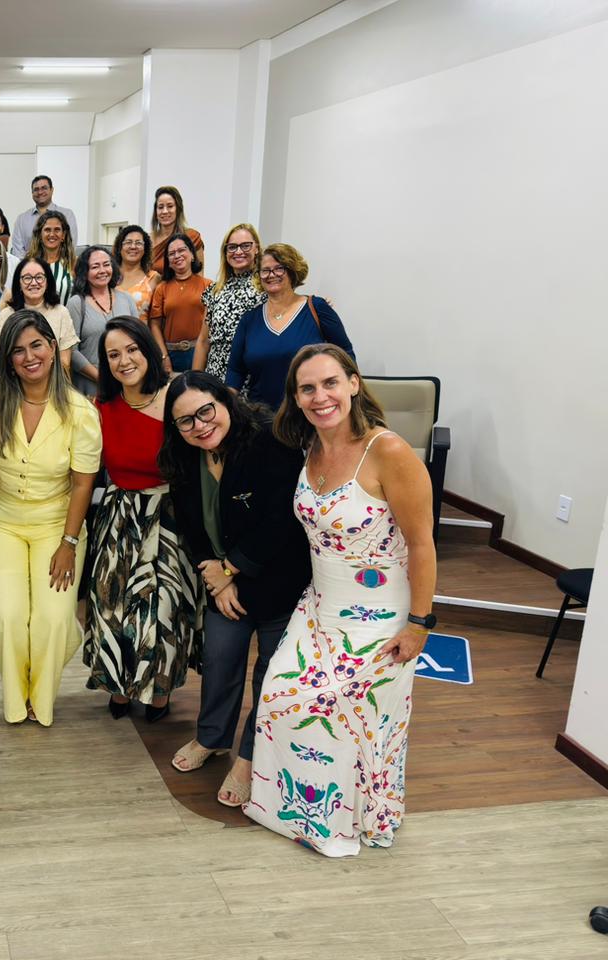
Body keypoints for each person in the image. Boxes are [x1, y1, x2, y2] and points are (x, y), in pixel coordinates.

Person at [246, 344, 436, 856]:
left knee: (348, 713)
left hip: (380, 615)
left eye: (330, 383)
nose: (320, 396)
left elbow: (422, 544)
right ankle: (298, 811)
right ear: (295, 399)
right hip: (319, 608)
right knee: (278, 697)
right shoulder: (307, 445)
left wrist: (420, 624)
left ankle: (357, 816)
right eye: (307, 388)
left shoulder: (388, 451)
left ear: (353, 383)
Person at [158, 370, 310, 807]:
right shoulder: (183, 456)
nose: (199, 425)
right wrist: (214, 574)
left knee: (270, 674)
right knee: (220, 658)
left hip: (279, 579)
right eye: (186, 421)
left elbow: (281, 519)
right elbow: (190, 525)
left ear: (225, 401)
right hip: (222, 582)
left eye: (206, 411)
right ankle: (211, 738)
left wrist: (230, 568)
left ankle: (249, 756)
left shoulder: (269, 439)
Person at [0, 310, 101, 726]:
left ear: (53, 348)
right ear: (7, 360)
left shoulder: (81, 412)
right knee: (8, 619)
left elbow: (82, 485)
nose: (29, 357)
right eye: (18, 350)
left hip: (57, 525)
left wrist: (69, 544)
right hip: (0, 521)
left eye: (36, 345)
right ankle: (17, 698)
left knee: (55, 618)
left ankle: (41, 700)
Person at [83, 320, 201, 719]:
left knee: (162, 608)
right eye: (113, 355)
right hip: (118, 515)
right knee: (112, 604)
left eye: (132, 349)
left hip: (168, 515)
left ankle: (158, 690)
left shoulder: (177, 397)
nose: (124, 361)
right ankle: (118, 684)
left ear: (148, 349)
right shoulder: (101, 407)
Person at [226, 243, 355, 407]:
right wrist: (227, 405)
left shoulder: (316, 308)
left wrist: (349, 399)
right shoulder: (249, 319)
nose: (271, 275)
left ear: (292, 271)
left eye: (279, 268)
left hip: (311, 410)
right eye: (265, 270)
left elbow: (345, 354)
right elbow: (235, 370)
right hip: (261, 415)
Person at [195, 224, 264, 380]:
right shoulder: (215, 290)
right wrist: (195, 381)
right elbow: (203, 341)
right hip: (215, 376)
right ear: (225, 252)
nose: (238, 252)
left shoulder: (265, 286)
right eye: (232, 247)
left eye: (245, 246)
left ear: (257, 248)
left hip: (250, 376)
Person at [0, 257, 78, 375]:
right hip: (14, 382)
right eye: (27, 278)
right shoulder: (6, 315)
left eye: (39, 277)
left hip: (53, 383)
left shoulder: (61, 313)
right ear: (19, 283)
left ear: (47, 281)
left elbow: (64, 363)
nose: (34, 283)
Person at [66, 246, 135, 396]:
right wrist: (102, 378)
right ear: (85, 272)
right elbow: (72, 350)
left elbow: (139, 340)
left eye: (106, 264)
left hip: (126, 382)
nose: (102, 270)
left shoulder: (126, 299)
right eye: (95, 267)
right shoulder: (76, 303)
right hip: (90, 386)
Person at [148, 232, 212, 375]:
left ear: (192, 255)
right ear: (168, 261)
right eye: (171, 254)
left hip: (201, 352)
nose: (177, 256)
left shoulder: (208, 285)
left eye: (182, 250)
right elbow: (155, 325)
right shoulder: (161, 288)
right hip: (171, 355)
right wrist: (164, 357)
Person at [11, 174, 78, 257]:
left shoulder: (67, 214)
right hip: (30, 264)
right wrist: (30, 264)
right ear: (32, 193)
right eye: (36, 189)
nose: (40, 192)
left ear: (52, 190)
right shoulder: (22, 219)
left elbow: (70, 245)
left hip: (61, 264)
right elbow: (18, 253)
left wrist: (56, 263)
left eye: (44, 188)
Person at [149, 186, 204, 274]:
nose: (165, 211)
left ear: (178, 209)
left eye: (170, 206)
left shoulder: (192, 237)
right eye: (160, 207)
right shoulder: (147, 240)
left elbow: (199, 275)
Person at [26, 209, 76, 304]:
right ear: (40, 235)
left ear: (63, 235)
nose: (52, 234)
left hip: (66, 313)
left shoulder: (74, 263)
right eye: (47, 230)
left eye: (57, 230)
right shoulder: (28, 263)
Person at [113, 224, 159, 322]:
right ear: (120, 247)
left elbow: (157, 318)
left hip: (140, 331)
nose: (133, 247)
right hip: (109, 330)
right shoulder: (109, 275)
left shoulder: (153, 278)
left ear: (145, 249)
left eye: (138, 243)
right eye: (128, 242)